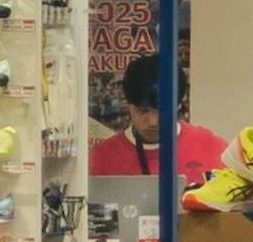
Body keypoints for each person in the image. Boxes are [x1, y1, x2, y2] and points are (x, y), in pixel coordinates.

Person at [89, 50, 229, 185]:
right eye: (143, 111)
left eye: (163, 111)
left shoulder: (212, 148)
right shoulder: (102, 158)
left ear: (180, 104)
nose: (153, 122)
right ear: (129, 105)